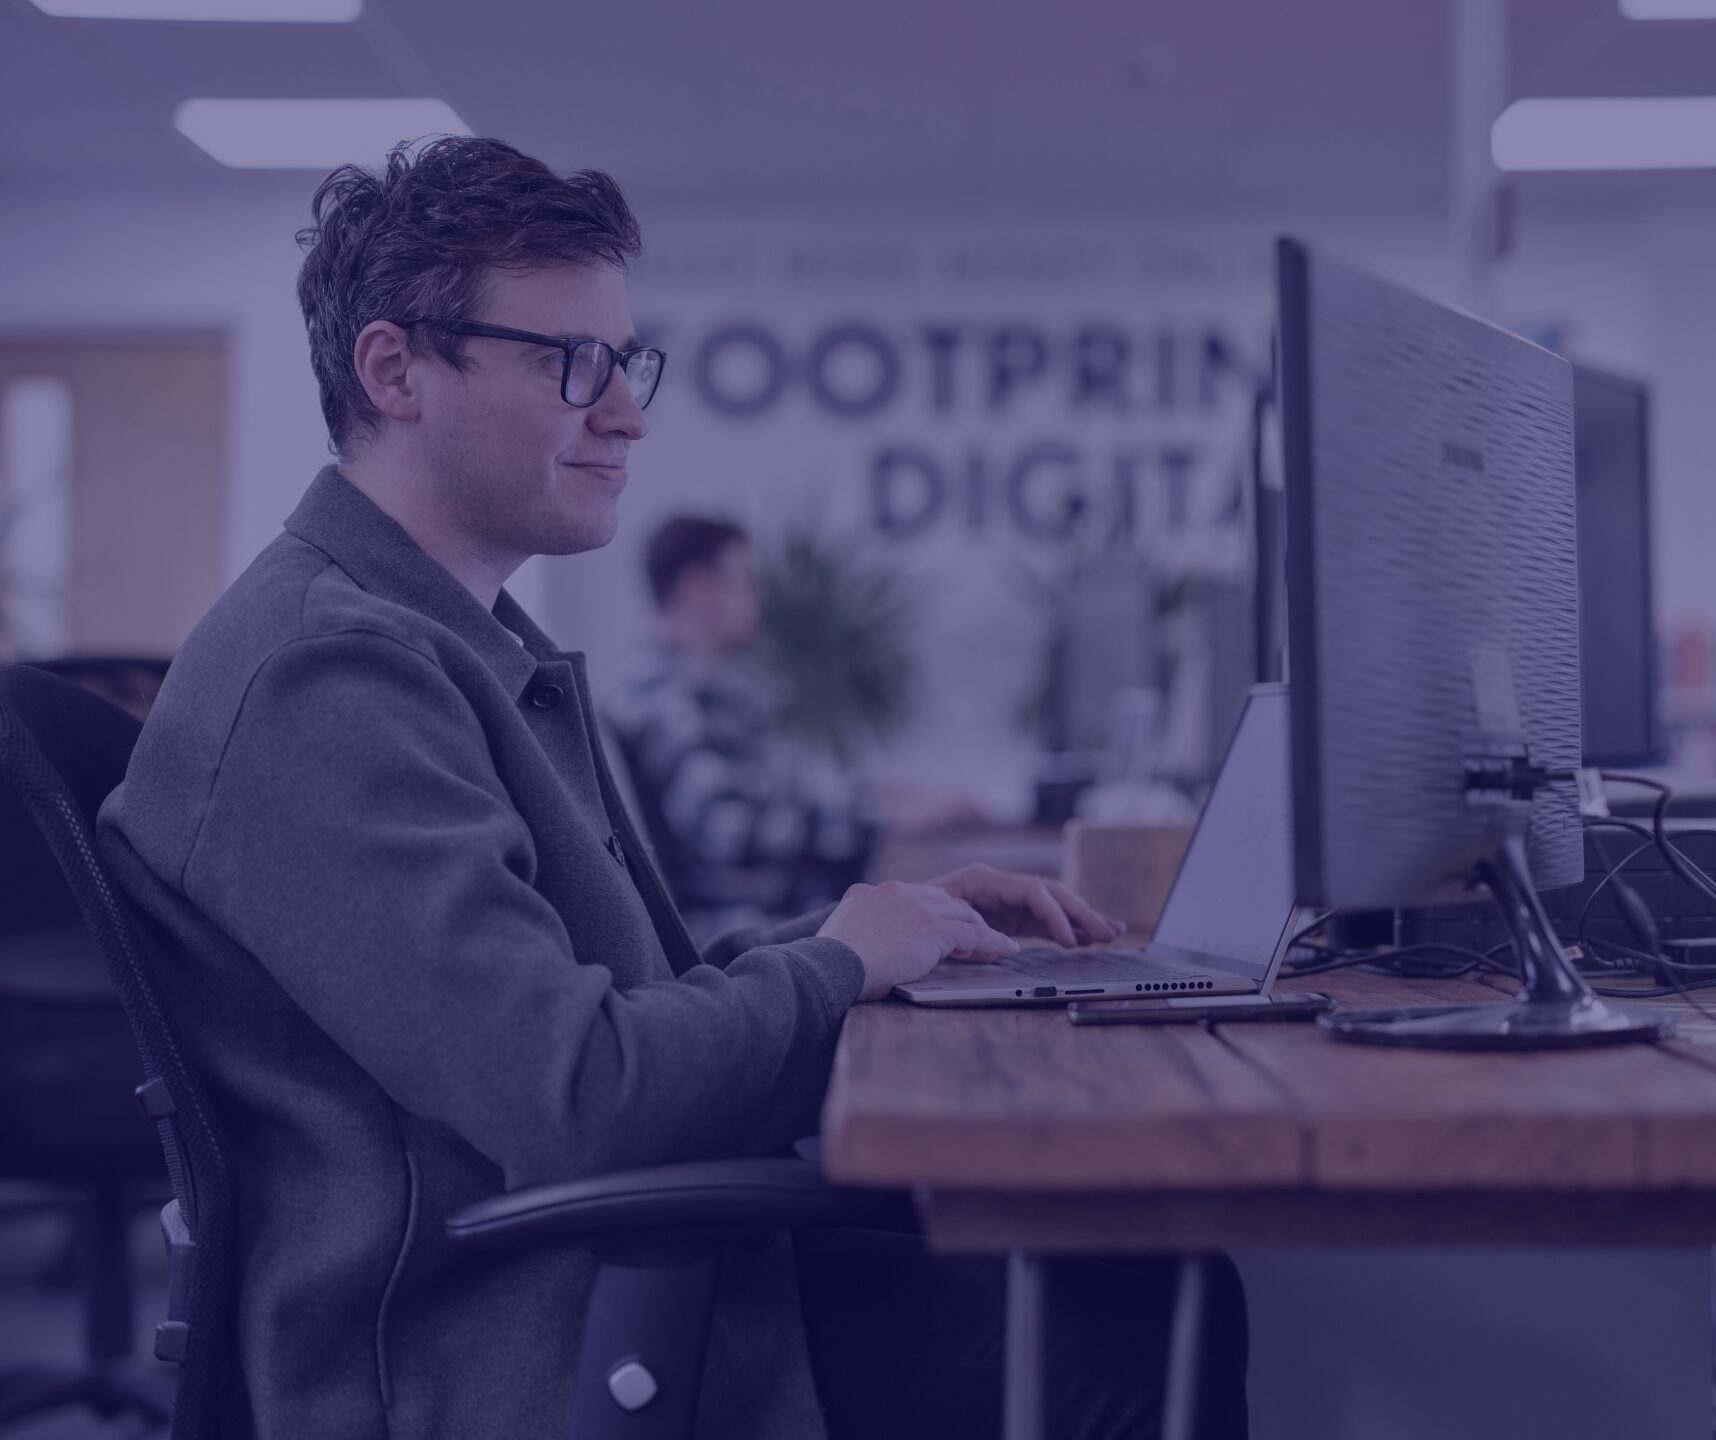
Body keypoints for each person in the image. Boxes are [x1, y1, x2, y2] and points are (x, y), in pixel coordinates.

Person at [96, 136, 1247, 1440]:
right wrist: (836, 970)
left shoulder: (448, 646)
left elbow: (609, 1013)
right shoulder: (327, 679)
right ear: (394, 369)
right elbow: (581, 1100)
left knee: (1135, 1278)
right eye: (569, 364)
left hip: (606, 1278)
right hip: (495, 1345)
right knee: (1130, 1323)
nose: (629, 413)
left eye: (627, 364)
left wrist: (869, 934)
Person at [611, 515, 875, 939]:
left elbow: (771, 797)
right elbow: (730, 828)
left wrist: (874, 803)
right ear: (695, 587)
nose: (760, 597)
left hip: (768, 911)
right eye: (746, 580)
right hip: (740, 928)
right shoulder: (665, 698)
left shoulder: (709, 689)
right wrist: (872, 820)